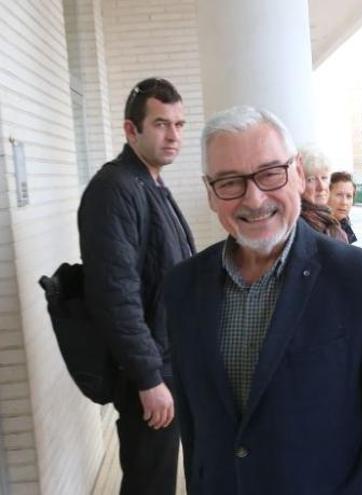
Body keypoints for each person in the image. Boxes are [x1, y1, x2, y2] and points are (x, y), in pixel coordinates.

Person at [164, 105, 362, 494]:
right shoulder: (183, 288)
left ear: (299, 176)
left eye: (270, 173)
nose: (254, 199)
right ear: (210, 194)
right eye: (229, 182)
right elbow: (195, 431)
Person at [79, 77, 194, 495]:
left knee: (159, 474)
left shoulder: (150, 182)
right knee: (150, 481)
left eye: (180, 124)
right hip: (148, 370)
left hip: (167, 360)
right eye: (161, 124)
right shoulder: (115, 189)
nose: (174, 135)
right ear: (132, 130)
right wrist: (149, 379)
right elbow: (115, 294)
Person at [298, 145, 347, 241]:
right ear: (298, 183)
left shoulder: (327, 220)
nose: (321, 187)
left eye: (324, 178)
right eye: (311, 179)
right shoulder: (299, 226)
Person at [329, 171, 357, 244]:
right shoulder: (319, 228)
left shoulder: (344, 223)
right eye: (339, 195)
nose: (344, 202)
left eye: (349, 196)